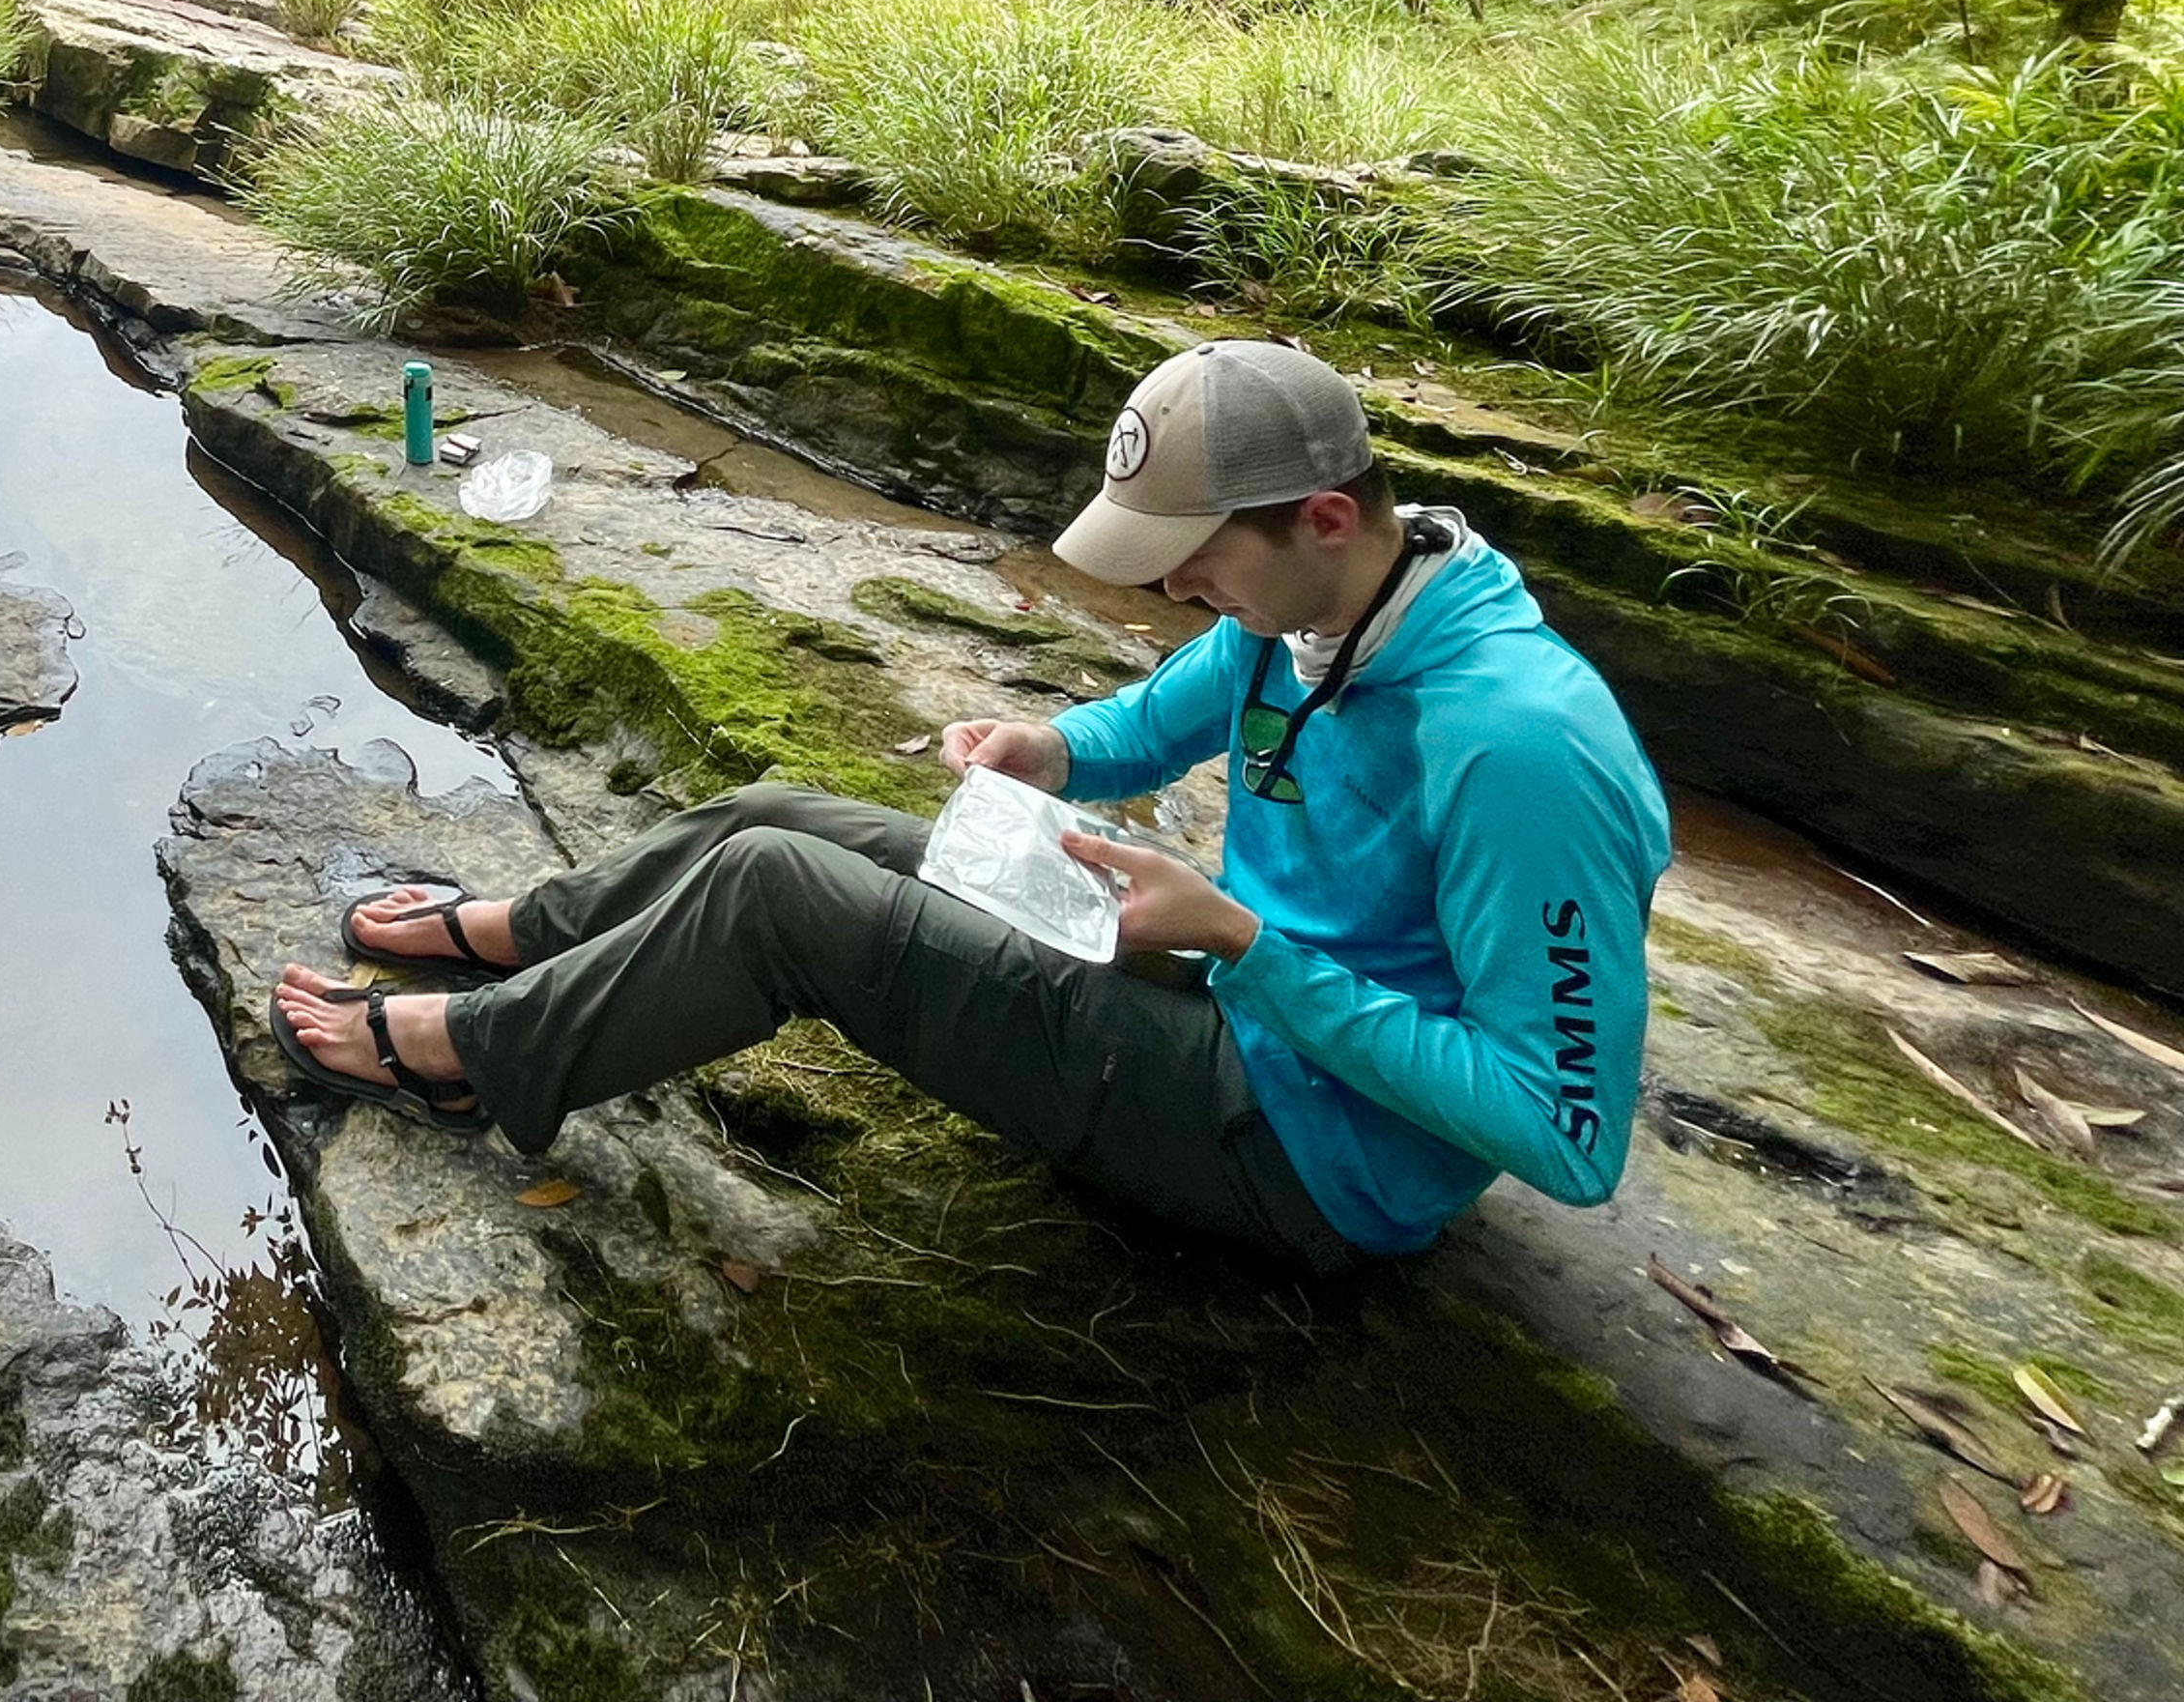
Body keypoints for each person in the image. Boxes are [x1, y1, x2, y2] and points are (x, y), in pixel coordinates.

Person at [270, 339, 1673, 1269]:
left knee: (778, 897)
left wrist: (1250, 947)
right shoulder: (1311, 613)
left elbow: (1565, 1136)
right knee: (775, 812)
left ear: (1320, 513)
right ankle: (533, 930)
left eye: (1194, 561)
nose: (1173, 592)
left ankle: (475, 1052)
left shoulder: (1518, 747)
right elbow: (1147, 724)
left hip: (1305, 1150)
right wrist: (1041, 751)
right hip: (1227, 1001)